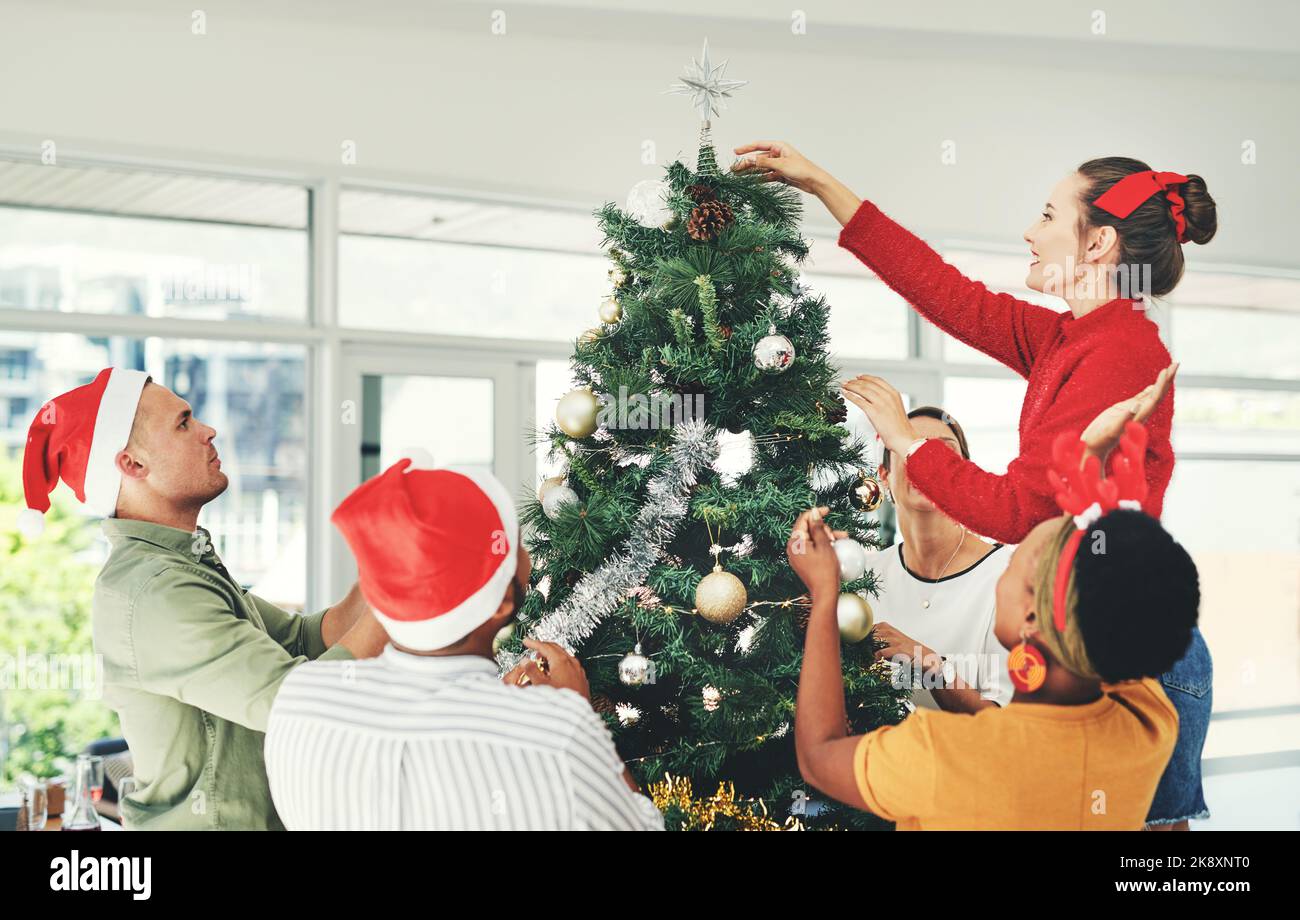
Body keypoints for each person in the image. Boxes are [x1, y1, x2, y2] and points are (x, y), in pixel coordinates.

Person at [733, 141, 1215, 546]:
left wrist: (905, 439)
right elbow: (950, 295)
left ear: (1096, 244)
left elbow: (1019, 512)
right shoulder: (1074, 336)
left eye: (1048, 218)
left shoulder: (1118, 354)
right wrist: (820, 183)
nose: (1030, 233)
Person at [788, 416, 1200, 830]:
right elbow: (1135, 604)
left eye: (1011, 570)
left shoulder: (948, 755)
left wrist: (824, 598)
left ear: (1031, 616)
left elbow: (820, 755)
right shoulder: (1146, 720)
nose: (997, 568)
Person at [20, 368, 388, 830]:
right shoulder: (155, 591)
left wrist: (385, 560)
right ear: (132, 464)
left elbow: (306, 639)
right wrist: (409, 594)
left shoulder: (184, 565)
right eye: (184, 422)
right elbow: (298, 702)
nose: (208, 431)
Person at [264, 457, 665, 831]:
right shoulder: (557, 730)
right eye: (518, 545)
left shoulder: (300, 699)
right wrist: (577, 713)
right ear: (503, 601)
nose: (527, 553)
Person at [867, 406, 1012, 713]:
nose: (925, 462)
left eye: (942, 451)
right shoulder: (863, 577)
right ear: (884, 475)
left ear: (965, 472)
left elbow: (1006, 727)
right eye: (908, 446)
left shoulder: (1010, 578)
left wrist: (930, 666)